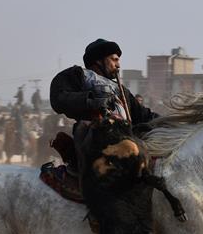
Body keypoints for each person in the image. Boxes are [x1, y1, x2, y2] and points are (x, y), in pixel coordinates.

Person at [49, 38, 158, 173]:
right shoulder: (78, 75)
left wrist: (169, 122)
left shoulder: (120, 89)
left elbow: (143, 115)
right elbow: (58, 98)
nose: (118, 65)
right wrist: (92, 101)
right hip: (95, 139)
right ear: (99, 60)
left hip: (125, 139)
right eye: (114, 59)